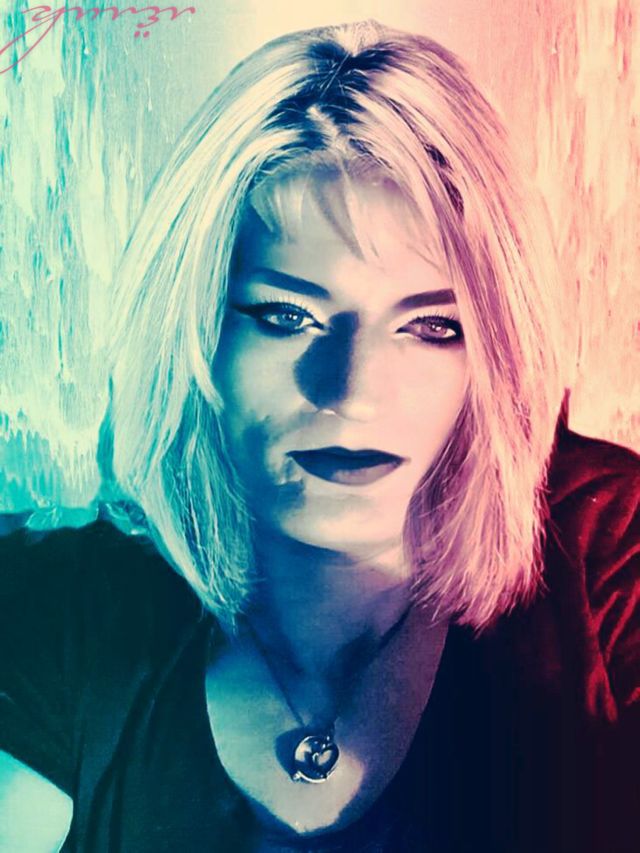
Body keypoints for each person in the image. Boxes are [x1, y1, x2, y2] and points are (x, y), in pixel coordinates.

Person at [1, 19, 638, 853]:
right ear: (194, 334)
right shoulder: (69, 611)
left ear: (495, 352)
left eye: (431, 326)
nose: (352, 390)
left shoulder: (604, 552)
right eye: (286, 315)